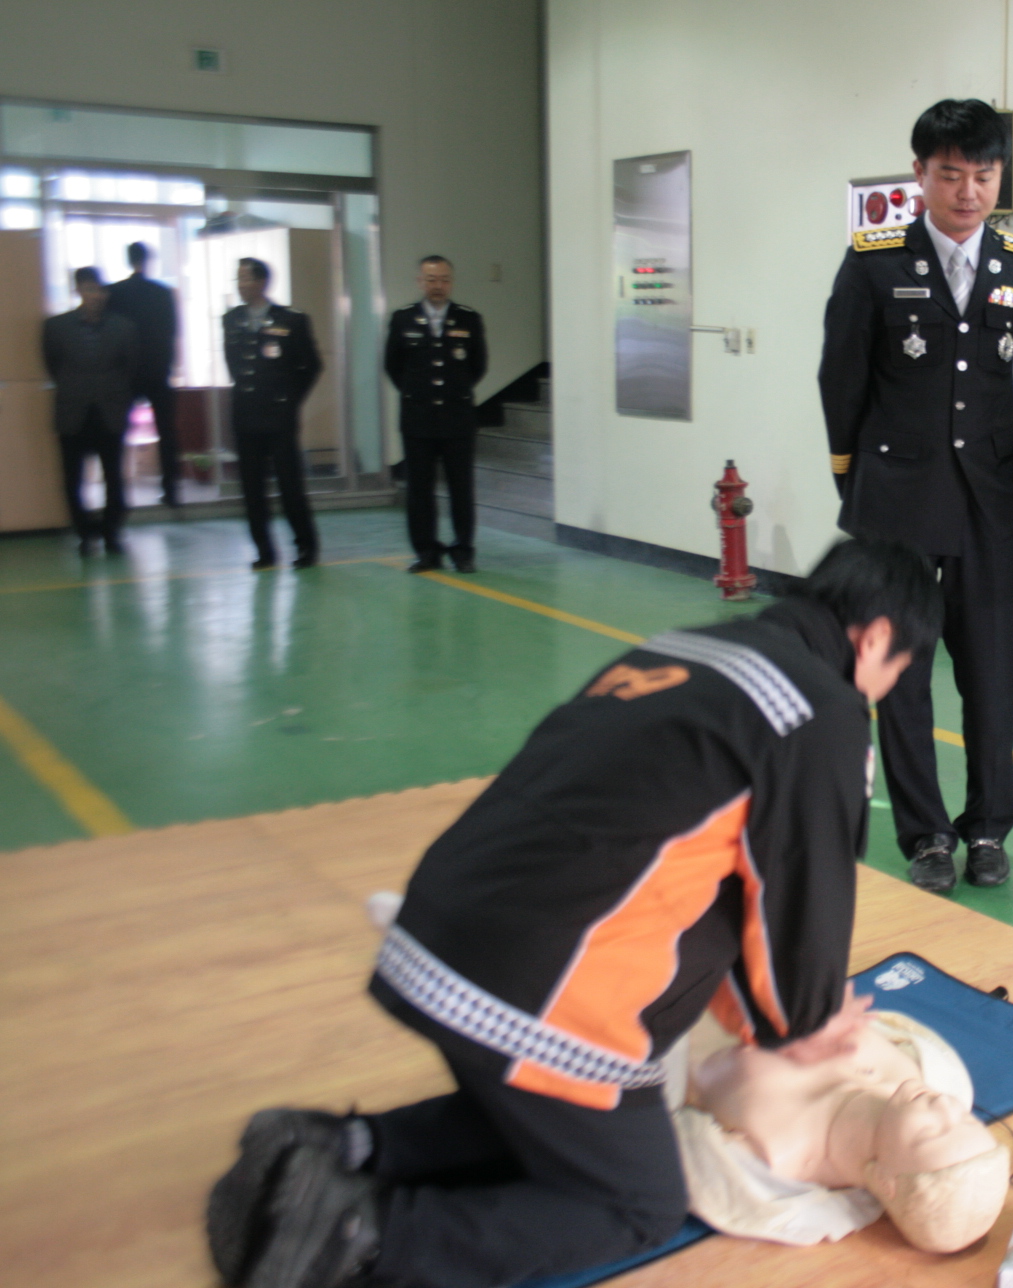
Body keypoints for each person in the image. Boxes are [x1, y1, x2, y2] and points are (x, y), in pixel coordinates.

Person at [205, 537, 945, 1288]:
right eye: (897, 673)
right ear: (876, 638)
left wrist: (775, 1016)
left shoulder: (692, 646)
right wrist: (808, 1020)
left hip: (436, 925)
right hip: (535, 974)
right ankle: (359, 1232)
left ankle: (334, 1145)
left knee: (569, 1123)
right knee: (637, 1201)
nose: (883, 693)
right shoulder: (819, 711)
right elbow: (799, 897)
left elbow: (712, 878)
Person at [819, 98, 1013, 895]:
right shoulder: (874, 262)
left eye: (984, 175)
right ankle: (927, 835)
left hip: (994, 505)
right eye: (951, 174)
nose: (969, 191)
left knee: (994, 674)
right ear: (920, 174)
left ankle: (989, 829)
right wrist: (854, 480)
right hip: (895, 505)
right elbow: (841, 377)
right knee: (900, 676)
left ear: (1001, 177)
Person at [669, 1008, 1008, 1253]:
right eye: (967, 1119)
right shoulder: (928, 1072)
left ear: (885, 1181)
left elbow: (662, 1134)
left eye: (930, 1133)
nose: (944, 1105)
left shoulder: (770, 1153)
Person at [385, 256, 489, 573]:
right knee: (419, 490)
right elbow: (393, 366)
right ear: (420, 282)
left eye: (444, 279)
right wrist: (419, 394)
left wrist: (453, 392)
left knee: (461, 489)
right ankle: (426, 552)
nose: (438, 286)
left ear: (451, 282)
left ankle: (463, 551)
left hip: (457, 418)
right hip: (417, 418)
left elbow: (478, 366)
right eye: (431, 279)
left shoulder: (468, 318)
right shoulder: (402, 319)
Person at [223, 258, 322, 569]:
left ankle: (306, 546)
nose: (241, 285)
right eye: (238, 279)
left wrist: (290, 400)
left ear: (262, 283)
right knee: (252, 489)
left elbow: (311, 366)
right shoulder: (231, 319)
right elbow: (233, 365)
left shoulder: (291, 320)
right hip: (245, 416)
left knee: (290, 486)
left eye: (246, 279)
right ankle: (264, 551)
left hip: (279, 417)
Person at [42, 267, 139, 554]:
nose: (95, 296)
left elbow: (132, 368)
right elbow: (52, 365)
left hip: (110, 410)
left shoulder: (124, 327)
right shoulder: (56, 327)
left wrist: (116, 395)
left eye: (99, 290)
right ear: (78, 291)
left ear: (106, 293)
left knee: (114, 476)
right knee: (72, 478)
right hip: (73, 411)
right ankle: (84, 533)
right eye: (88, 289)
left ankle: (112, 533)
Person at [107, 241, 182, 506]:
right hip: (157, 370)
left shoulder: (114, 293)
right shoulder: (162, 293)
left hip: (125, 374)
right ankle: (171, 490)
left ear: (128, 260)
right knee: (167, 432)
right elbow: (173, 332)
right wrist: (168, 364)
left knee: (117, 433)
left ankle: (117, 492)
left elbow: (110, 336)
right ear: (148, 260)